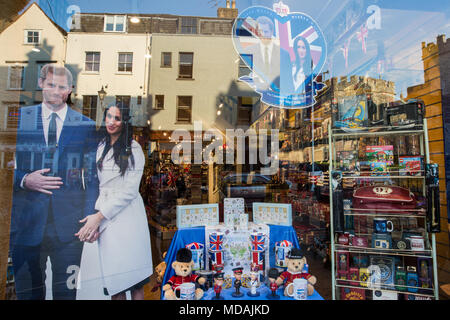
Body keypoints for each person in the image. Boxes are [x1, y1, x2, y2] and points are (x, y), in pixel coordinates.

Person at [10, 64, 99, 300]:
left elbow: (92, 178)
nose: (55, 91)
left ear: (69, 90)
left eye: (62, 87)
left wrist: (90, 218)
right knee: (28, 294)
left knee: (66, 294)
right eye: (50, 85)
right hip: (26, 225)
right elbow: (3, 169)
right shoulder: (18, 120)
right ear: (41, 84)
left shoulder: (85, 126)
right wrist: (24, 180)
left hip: (69, 229)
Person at [75, 103, 153, 300]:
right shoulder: (100, 146)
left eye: (117, 118)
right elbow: (94, 183)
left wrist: (99, 216)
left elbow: (129, 190)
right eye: (109, 116)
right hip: (107, 218)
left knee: (135, 283)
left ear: (124, 122)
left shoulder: (134, 148)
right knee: (114, 284)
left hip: (128, 219)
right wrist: (95, 217)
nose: (111, 122)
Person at [241, 16, 281, 92]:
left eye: (266, 32)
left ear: (272, 32)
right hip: (256, 93)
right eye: (260, 32)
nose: (263, 35)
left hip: (276, 94)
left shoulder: (281, 53)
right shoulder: (248, 51)